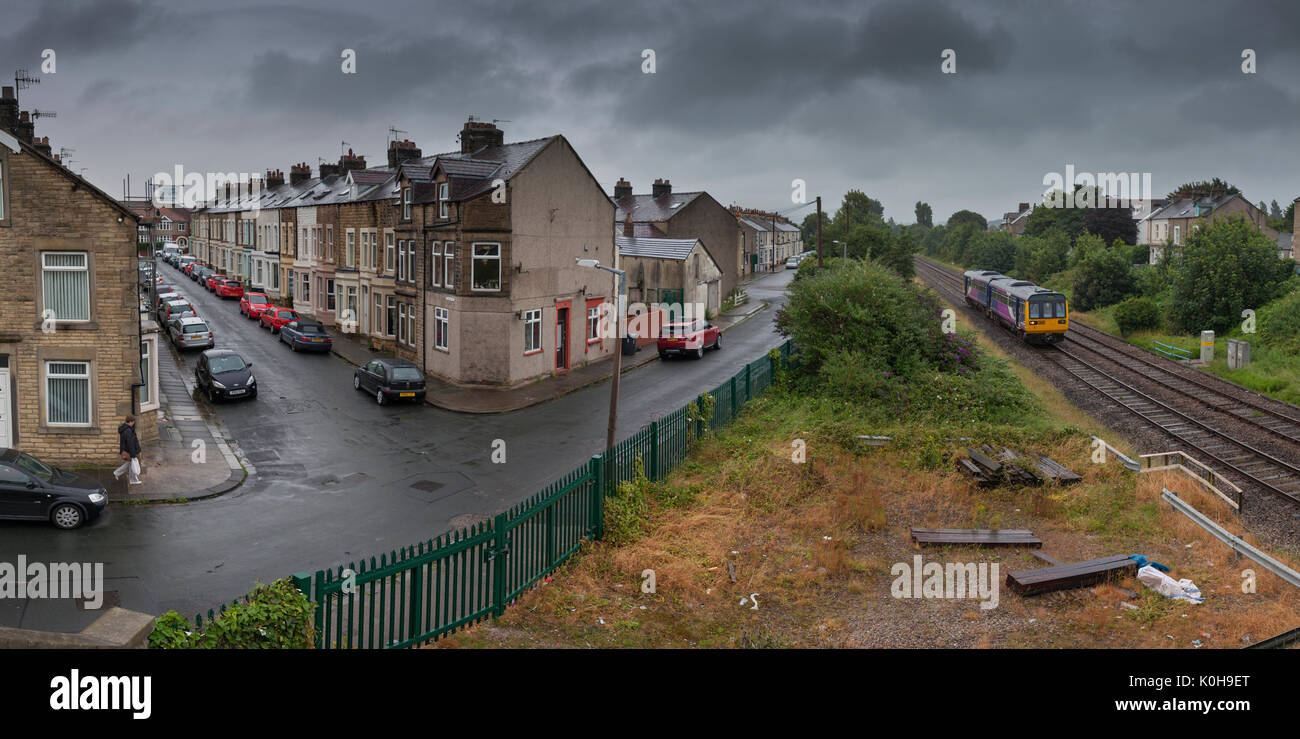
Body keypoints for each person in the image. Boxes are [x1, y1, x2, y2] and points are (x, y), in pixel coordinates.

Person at [113, 414, 143, 485]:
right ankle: (133, 480)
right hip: (129, 451)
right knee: (132, 464)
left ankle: (117, 473)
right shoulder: (128, 431)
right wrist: (133, 454)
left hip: (126, 450)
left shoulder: (125, 429)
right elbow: (130, 443)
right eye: (133, 422)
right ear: (130, 422)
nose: (133, 424)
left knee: (129, 464)